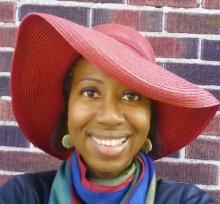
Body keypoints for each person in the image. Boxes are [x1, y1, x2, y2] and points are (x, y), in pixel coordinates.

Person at [0, 12, 219, 204]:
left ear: (150, 121)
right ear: (67, 113)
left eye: (131, 95)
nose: (109, 117)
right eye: (90, 92)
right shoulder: (24, 195)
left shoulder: (185, 201)